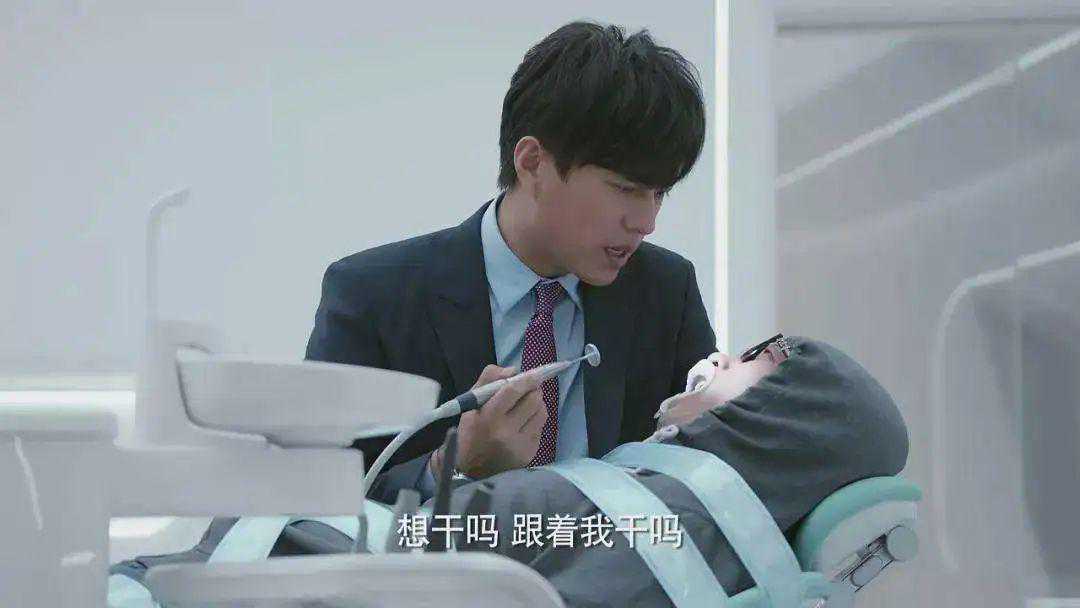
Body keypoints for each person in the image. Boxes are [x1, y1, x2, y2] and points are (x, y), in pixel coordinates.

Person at [305, 21, 714, 504]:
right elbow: (314, 501)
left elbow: (714, 476)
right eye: (625, 189)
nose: (646, 222)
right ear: (532, 163)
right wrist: (453, 467)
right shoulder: (373, 297)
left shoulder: (665, 291)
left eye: (659, 193)